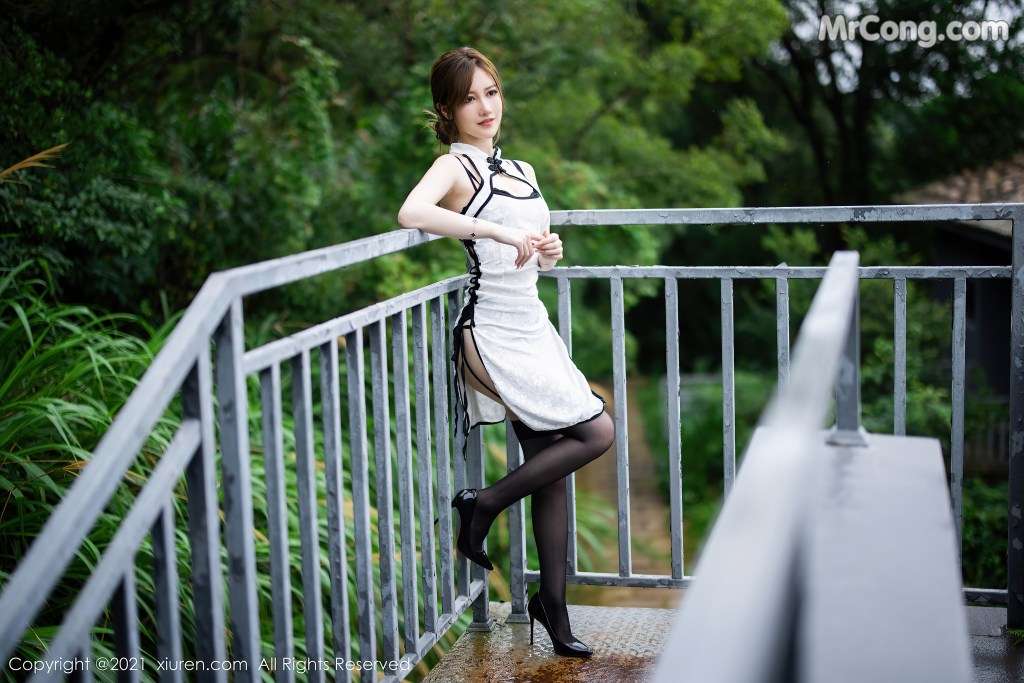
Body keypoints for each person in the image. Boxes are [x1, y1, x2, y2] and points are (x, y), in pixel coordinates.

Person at [397, 46, 615, 658]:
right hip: (491, 330)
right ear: (448, 111)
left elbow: (529, 251)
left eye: (490, 92)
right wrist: (493, 229)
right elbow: (411, 212)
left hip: (531, 324)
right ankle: (483, 504)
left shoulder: (522, 169)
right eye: (469, 99)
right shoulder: (455, 166)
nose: (485, 107)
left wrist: (548, 250)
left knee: (552, 461)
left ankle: (553, 607)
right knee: (596, 431)